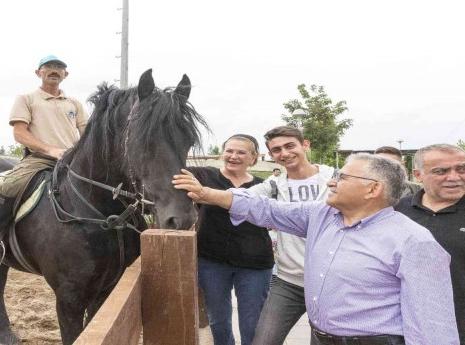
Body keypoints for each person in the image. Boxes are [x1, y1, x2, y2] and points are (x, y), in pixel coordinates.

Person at [173, 153, 459, 344]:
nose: (331, 181)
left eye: (343, 177)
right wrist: (207, 194)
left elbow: (434, 328)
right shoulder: (322, 215)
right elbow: (267, 209)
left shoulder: (413, 242)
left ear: (373, 190)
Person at [0, 54, 88, 266]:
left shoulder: (74, 103)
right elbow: (20, 134)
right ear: (38, 73)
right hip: (40, 159)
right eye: (48, 67)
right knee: (10, 185)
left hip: (72, 161)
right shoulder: (27, 99)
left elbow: (87, 133)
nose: (54, 70)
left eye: (59, 67)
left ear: (66, 74)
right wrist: (50, 150)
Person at [233, 126, 335, 345]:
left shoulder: (336, 179)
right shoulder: (273, 185)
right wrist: (202, 194)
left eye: (290, 146)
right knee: (263, 341)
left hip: (331, 282)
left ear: (305, 145)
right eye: (277, 150)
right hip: (289, 281)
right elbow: (238, 199)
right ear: (271, 156)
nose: (285, 153)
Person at [188, 134, 274, 345]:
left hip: (255, 263)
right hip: (212, 261)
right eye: (229, 151)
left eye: (241, 152)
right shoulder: (201, 176)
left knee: (252, 323)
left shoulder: (264, 186)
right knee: (218, 320)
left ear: (253, 158)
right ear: (222, 153)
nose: (234, 156)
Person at [394, 143, 465, 343]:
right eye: (440, 171)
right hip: (406, 329)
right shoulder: (397, 211)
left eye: (462, 169)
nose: (454, 177)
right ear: (417, 175)